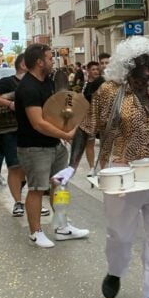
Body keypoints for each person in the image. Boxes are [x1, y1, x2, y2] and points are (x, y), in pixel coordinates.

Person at [61, 36, 149, 298]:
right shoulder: (108, 91)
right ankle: (115, 271)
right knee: (120, 236)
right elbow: (86, 129)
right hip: (121, 172)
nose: (146, 72)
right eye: (141, 66)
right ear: (127, 66)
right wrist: (71, 166)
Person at [15, 43, 89, 248]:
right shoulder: (28, 87)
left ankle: (62, 225)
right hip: (34, 148)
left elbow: (55, 111)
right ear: (39, 62)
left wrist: (69, 122)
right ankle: (35, 232)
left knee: (60, 184)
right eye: (49, 58)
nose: (52, 61)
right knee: (37, 189)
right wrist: (66, 134)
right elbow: (38, 123)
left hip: (54, 145)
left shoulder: (47, 82)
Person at [0, 54, 34, 217]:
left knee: (30, 167)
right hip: (10, 131)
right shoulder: (8, 82)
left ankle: (33, 202)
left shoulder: (36, 83)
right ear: (25, 65)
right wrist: (9, 103)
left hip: (31, 130)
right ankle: (18, 202)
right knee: (14, 166)